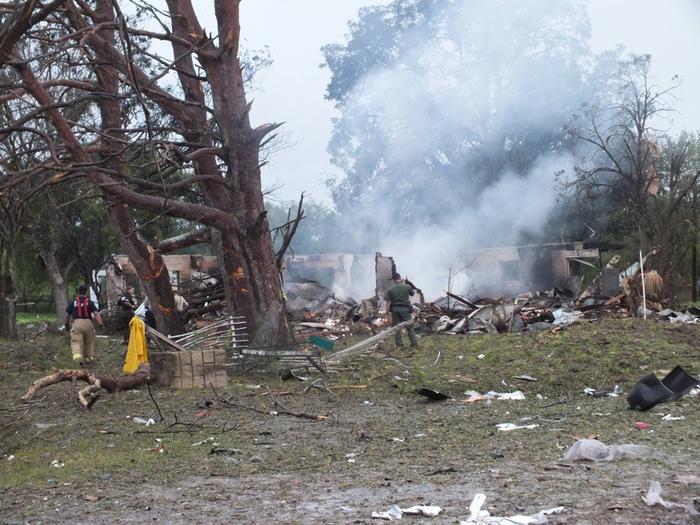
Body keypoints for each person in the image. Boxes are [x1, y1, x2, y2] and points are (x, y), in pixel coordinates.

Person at [65, 285, 104, 366]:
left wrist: (66, 324)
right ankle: (88, 359)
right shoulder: (89, 302)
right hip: (88, 323)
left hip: (77, 323)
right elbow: (96, 314)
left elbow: (68, 315)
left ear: (78, 292)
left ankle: (77, 357)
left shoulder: (73, 302)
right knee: (89, 342)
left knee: (76, 341)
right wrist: (100, 324)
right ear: (86, 292)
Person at [384, 273, 418, 347]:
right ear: (400, 278)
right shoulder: (407, 286)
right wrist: (405, 284)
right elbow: (412, 294)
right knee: (409, 326)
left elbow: (388, 302)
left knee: (396, 327)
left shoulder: (390, 289)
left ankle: (399, 345)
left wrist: (387, 312)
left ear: (393, 280)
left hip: (395, 310)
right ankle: (414, 343)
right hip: (405, 309)